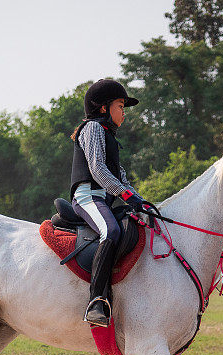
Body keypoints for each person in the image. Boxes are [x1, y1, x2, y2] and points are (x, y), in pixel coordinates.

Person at [69, 79, 147, 327]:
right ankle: (96, 302)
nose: (124, 112)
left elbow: (120, 176)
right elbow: (98, 170)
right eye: (121, 105)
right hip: (87, 196)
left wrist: (141, 202)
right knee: (111, 230)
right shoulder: (92, 128)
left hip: (104, 197)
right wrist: (126, 196)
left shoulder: (108, 136)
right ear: (103, 108)